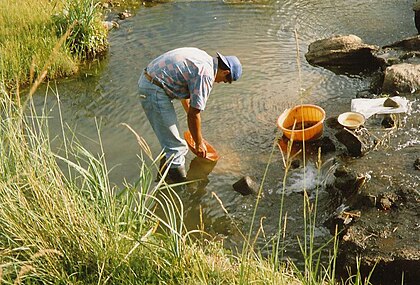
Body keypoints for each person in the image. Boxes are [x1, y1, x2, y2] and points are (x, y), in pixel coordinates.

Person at [137, 47, 242, 183]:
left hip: (150, 80)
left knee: (170, 142)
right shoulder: (206, 74)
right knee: (178, 148)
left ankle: (162, 181)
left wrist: (194, 126)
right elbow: (194, 115)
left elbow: (187, 99)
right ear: (225, 72)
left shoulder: (203, 57)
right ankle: (179, 190)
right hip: (154, 90)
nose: (221, 82)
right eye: (225, 80)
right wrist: (199, 143)